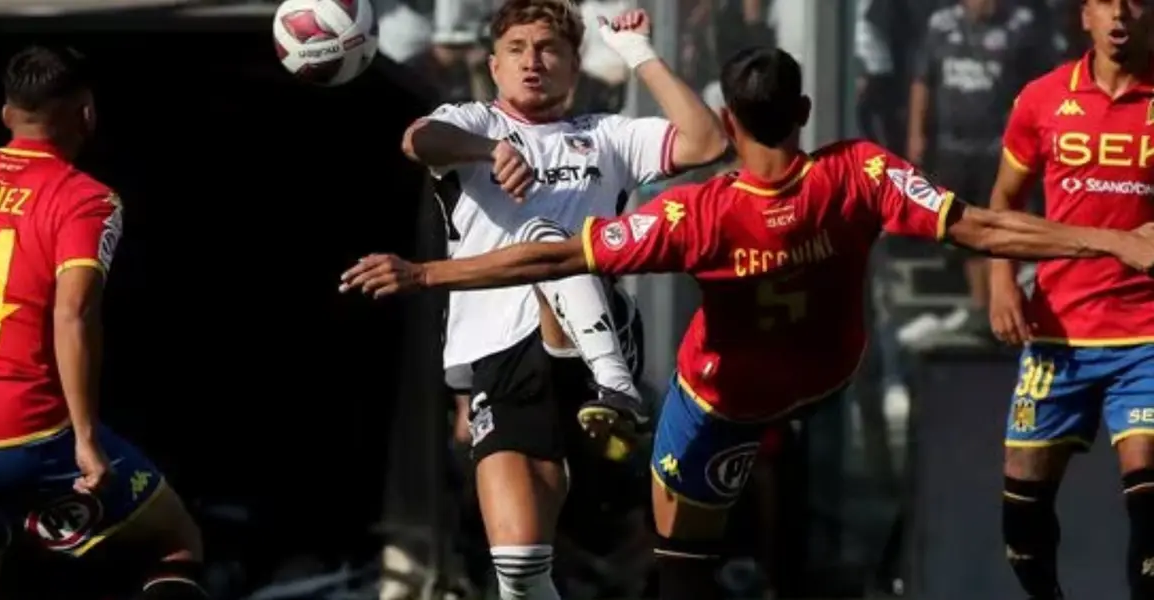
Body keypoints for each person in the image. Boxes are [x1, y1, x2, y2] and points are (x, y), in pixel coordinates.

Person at [340, 46, 1154, 600]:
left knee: (682, 562)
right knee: (770, 512)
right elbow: (983, 226)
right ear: (803, 108)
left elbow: (552, 258)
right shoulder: (862, 171)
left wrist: (426, 273)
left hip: (717, 402)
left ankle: (621, 411)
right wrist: (1116, 239)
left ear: (728, 122)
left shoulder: (696, 214)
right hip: (824, 374)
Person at [399, 0, 726, 598]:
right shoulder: (475, 123)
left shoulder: (604, 136)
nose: (532, 62)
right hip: (501, 362)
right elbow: (419, 140)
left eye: (549, 49)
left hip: (593, 349)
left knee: (548, 240)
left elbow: (706, 142)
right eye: (518, 49)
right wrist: (487, 151)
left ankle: (618, 390)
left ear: (574, 67)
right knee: (520, 572)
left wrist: (639, 54)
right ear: (493, 65)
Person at [0, 46, 205, 599]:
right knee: (173, 539)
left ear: (5, 115)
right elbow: (74, 313)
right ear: (86, 113)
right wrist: (86, 440)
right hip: (26, 434)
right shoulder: (85, 201)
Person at [988, 1, 1154, 598]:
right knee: (1022, 519)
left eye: (1135, 2)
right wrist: (1003, 281)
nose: (1122, 15)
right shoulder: (1042, 99)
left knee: (1149, 496)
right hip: (1059, 332)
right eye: (1107, 2)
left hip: (1147, 334)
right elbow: (1004, 202)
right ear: (1085, 15)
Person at [904, 0, 1054, 344]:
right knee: (963, 227)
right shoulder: (940, 24)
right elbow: (922, 81)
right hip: (953, 147)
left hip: (1000, 147)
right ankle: (979, 306)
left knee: (1001, 222)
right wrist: (917, 134)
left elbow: (1041, 84)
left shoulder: (1021, 26)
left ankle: (1007, 302)